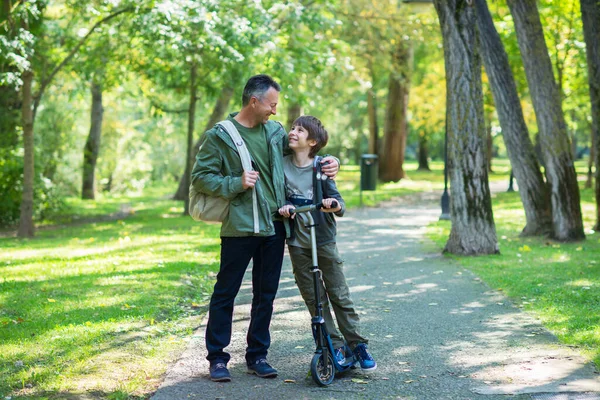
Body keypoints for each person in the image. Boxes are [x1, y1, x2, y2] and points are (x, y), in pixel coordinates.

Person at [190, 75, 339, 382]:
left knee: (266, 295)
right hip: (239, 227)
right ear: (254, 102)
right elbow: (201, 177)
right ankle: (217, 358)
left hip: (274, 226)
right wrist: (235, 182)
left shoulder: (275, 131)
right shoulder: (220, 135)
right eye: (272, 105)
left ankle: (257, 355)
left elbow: (300, 155)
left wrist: (328, 161)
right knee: (225, 292)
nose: (275, 111)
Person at [278, 115, 377, 372]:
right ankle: (332, 344)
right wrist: (285, 207)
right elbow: (278, 195)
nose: (293, 132)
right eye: (292, 128)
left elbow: (338, 201)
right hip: (298, 242)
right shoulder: (281, 164)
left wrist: (333, 205)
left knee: (338, 293)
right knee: (314, 298)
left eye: (300, 130)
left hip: (322, 239)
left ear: (312, 141)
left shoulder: (321, 167)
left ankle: (357, 344)